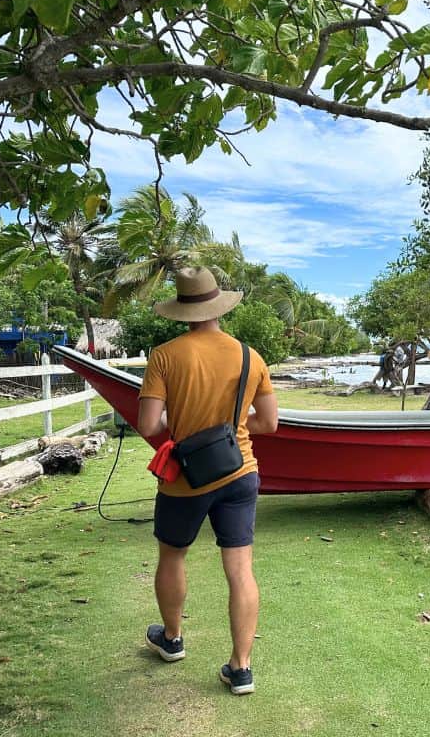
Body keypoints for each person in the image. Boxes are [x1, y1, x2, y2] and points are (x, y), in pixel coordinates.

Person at [136, 267, 278, 696]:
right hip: (240, 471)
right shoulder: (250, 356)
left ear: (182, 310)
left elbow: (149, 426)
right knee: (240, 570)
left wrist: (175, 418)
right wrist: (232, 423)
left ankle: (173, 639)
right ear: (220, 307)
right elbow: (269, 423)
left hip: (187, 478)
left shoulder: (164, 356)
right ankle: (241, 668)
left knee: (173, 555)